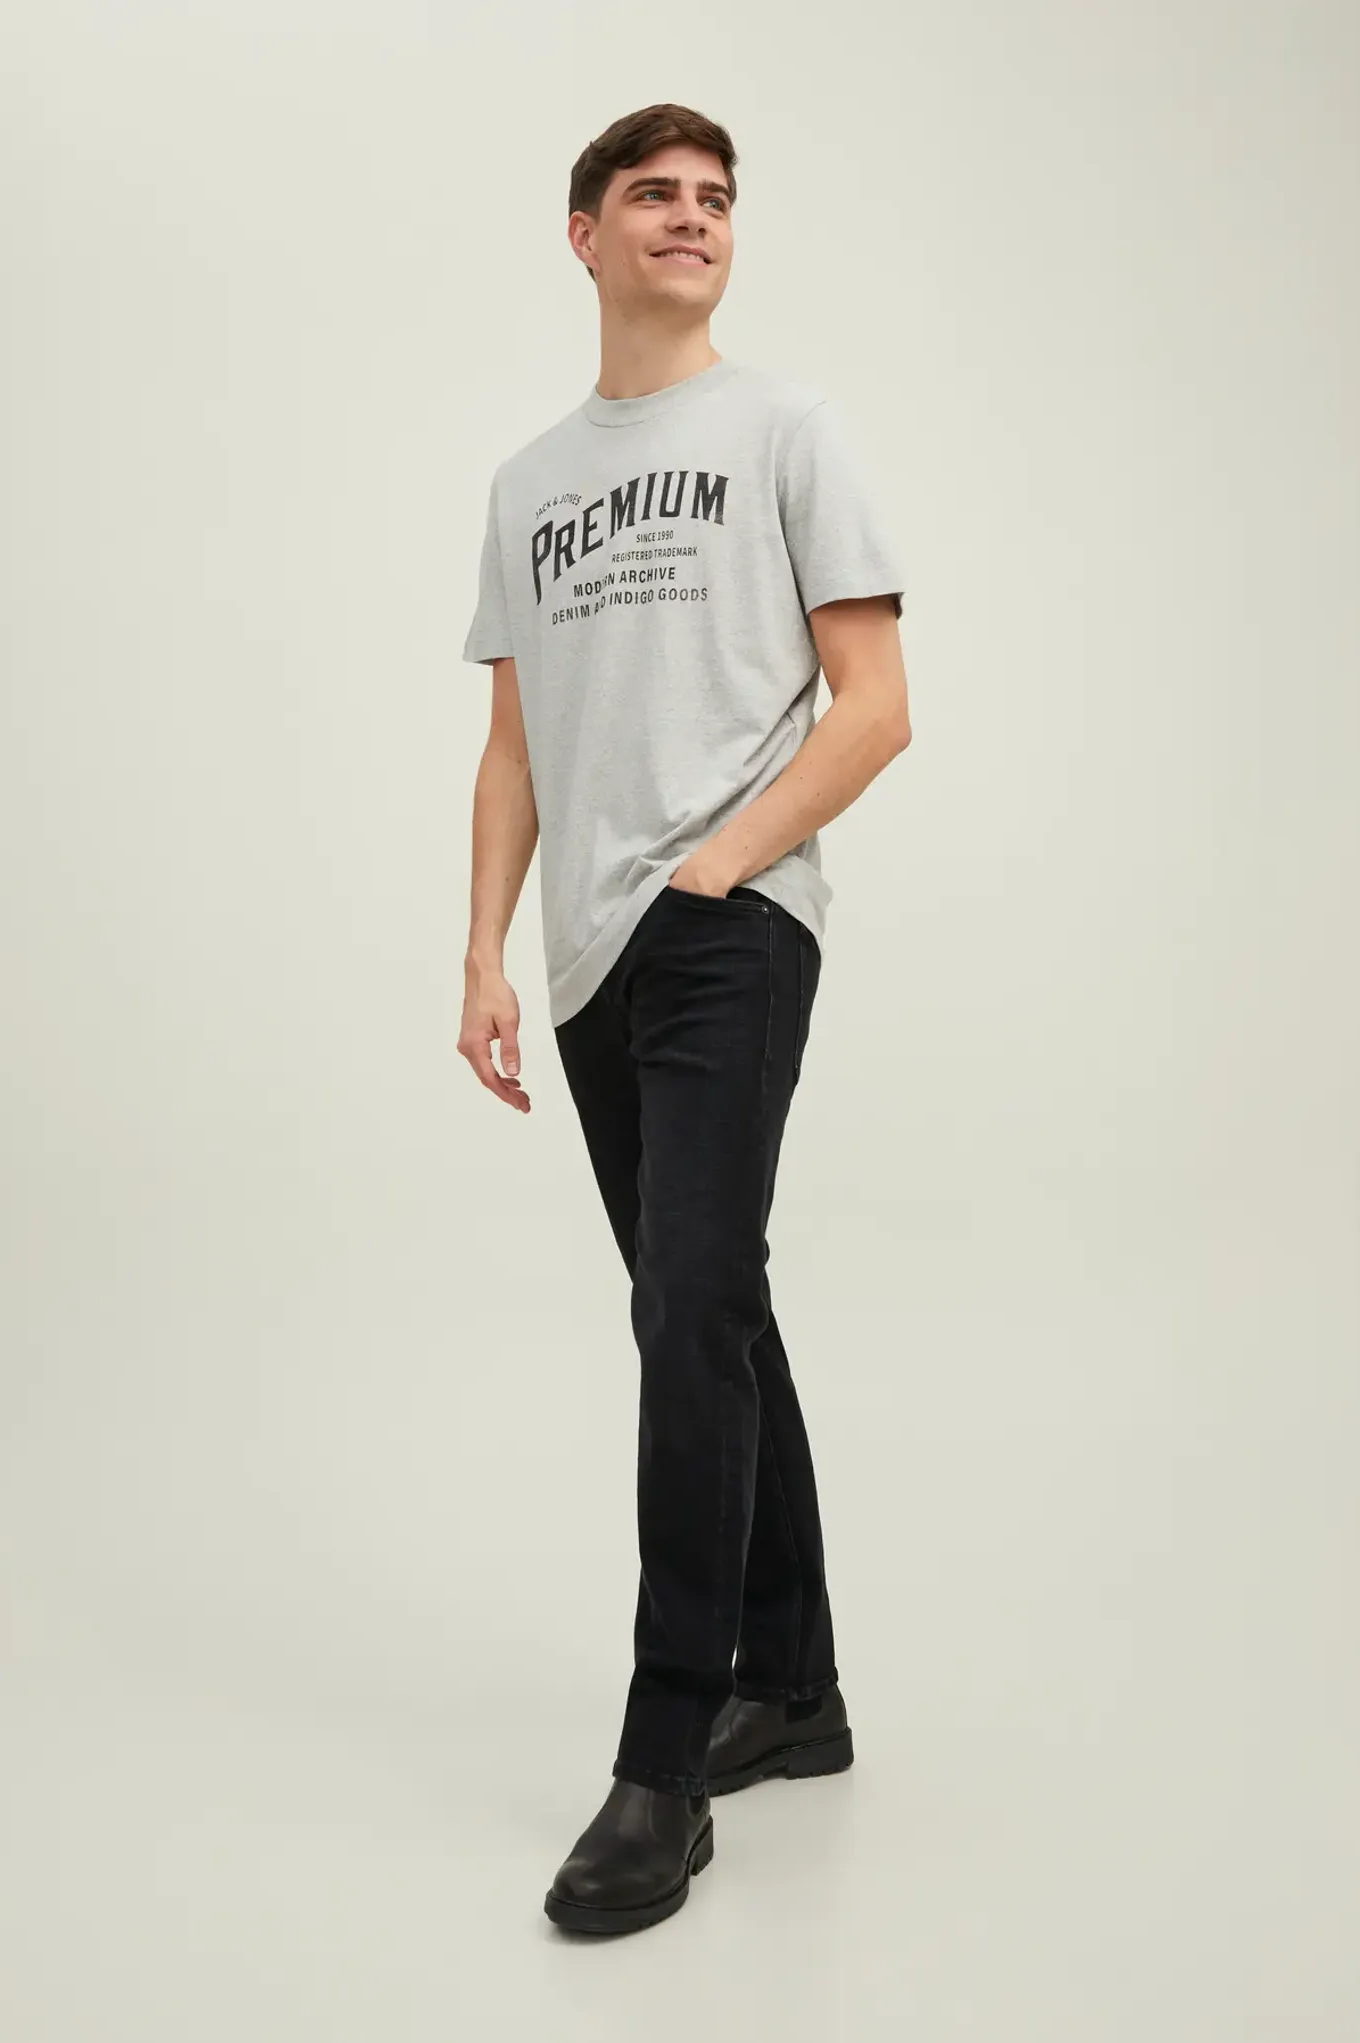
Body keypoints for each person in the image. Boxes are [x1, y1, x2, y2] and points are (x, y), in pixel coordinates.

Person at [458, 102, 910, 1936]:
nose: (691, 217)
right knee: (708, 1304)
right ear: (585, 235)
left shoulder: (787, 430)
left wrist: (724, 863)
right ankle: (793, 1690)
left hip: (730, 925)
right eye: (653, 194)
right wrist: (484, 952)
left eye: (715, 197)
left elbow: (874, 704)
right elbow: (513, 745)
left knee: (689, 1305)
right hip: (588, 960)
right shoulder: (528, 484)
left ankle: (664, 1758)